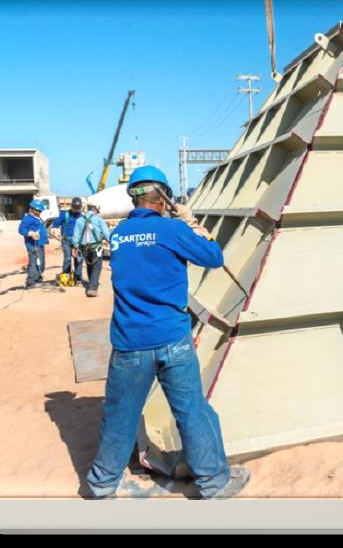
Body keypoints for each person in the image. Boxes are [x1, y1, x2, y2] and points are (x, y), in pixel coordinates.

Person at [85, 165, 250, 500]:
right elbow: (214, 257)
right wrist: (190, 222)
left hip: (129, 341)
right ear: (163, 197)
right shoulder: (172, 230)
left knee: (120, 414)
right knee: (192, 412)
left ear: (133, 196)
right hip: (172, 339)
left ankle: (101, 484)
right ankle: (214, 483)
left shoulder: (117, 234)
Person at [72, 202, 111, 297]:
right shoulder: (99, 219)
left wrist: (75, 247)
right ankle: (92, 288)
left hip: (83, 247)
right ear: (95, 209)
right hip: (96, 247)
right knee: (96, 267)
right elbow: (107, 233)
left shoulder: (79, 220)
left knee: (89, 265)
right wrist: (111, 242)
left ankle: (91, 284)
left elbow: (76, 235)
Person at [51, 197, 84, 285]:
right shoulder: (64, 214)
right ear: (71, 206)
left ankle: (78, 277)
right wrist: (55, 230)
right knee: (67, 259)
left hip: (78, 241)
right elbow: (55, 224)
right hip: (67, 241)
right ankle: (66, 277)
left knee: (79, 259)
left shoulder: (81, 216)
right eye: (74, 208)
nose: (76, 210)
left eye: (77, 209)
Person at [17, 199, 49, 288]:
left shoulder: (36, 217)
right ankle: (31, 281)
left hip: (39, 244)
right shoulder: (27, 219)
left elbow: (40, 228)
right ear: (31, 209)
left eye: (40, 210)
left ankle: (38, 278)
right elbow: (21, 230)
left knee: (40, 262)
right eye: (38, 210)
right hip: (33, 245)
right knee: (34, 262)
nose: (40, 212)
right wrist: (30, 233)